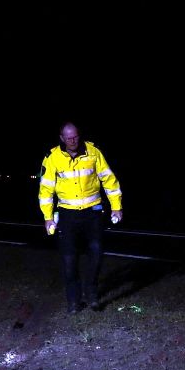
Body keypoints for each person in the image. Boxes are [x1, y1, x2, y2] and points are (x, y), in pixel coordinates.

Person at [39, 122, 123, 314]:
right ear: (62, 138)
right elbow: (45, 190)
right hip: (67, 214)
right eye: (68, 138)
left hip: (92, 212)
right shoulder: (52, 158)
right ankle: (74, 301)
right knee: (69, 260)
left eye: (75, 137)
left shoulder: (93, 152)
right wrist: (47, 217)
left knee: (96, 252)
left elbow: (109, 180)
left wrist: (116, 207)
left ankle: (91, 294)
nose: (73, 141)